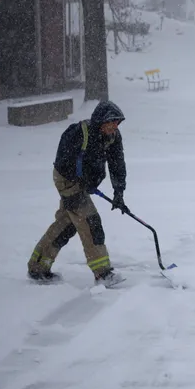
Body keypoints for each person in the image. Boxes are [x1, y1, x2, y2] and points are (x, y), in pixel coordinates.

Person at [27, 100, 129, 287]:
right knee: (91, 222)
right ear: (101, 121)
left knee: (67, 224)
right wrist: (80, 179)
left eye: (117, 123)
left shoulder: (113, 136)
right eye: (112, 122)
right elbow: (62, 160)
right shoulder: (79, 133)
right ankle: (103, 273)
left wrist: (119, 192)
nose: (115, 126)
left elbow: (117, 163)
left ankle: (38, 266)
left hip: (83, 182)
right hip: (67, 180)